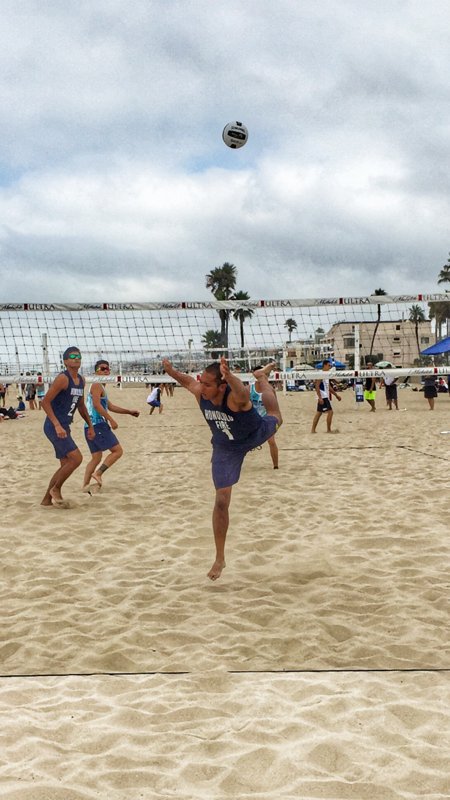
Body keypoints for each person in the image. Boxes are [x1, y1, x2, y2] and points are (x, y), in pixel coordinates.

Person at [162, 356, 282, 581]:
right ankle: (220, 558)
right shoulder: (201, 393)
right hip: (226, 447)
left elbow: (243, 394)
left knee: (275, 415)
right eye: (202, 382)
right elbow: (187, 381)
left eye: (208, 384)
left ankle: (262, 377)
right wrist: (170, 370)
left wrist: (232, 377)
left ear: (222, 385)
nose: (202, 386)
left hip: (254, 434)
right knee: (221, 501)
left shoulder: (235, 398)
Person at [41, 347, 95, 508]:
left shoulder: (81, 380)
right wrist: (57, 425)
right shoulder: (63, 379)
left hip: (65, 426)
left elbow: (81, 406)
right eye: (72, 356)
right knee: (77, 458)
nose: (76, 358)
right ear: (65, 361)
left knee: (65, 464)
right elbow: (45, 402)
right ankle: (56, 489)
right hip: (53, 425)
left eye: (79, 356)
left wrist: (90, 426)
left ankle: (46, 500)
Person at [82, 359, 140, 493]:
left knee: (96, 457)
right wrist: (111, 420)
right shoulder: (96, 384)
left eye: (107, 369)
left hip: (89, 426)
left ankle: (85, 485)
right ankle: (98, 474)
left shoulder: (101, 386)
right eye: (102, 369)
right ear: (95, 372)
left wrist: (129, 412)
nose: (106, 371)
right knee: (118, 451)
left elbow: (110, 406)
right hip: (97, 425)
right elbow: (96, 405)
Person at [250, 364, 279, 468]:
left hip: (266, 419)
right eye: (264, 374)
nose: (265, 376)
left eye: (267, 374)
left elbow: (275, 409)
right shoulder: (250, 388)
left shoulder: (270, 390)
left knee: (271, 441)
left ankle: (276, 466)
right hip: (252, 419)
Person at [311, 359, 342, 433]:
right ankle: (328, 430)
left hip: (324, 396)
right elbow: (317, 386)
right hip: (323, 396)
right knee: (330, 412)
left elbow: (328, 387)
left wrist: (336, 395)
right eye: (329, 365)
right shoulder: (320, 374)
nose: (330, 367)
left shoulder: (327, 374)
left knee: (319, 413)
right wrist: (320, 397)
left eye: (330, 365)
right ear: (324, 365)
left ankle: (313, 430)